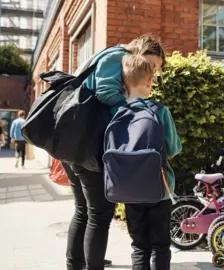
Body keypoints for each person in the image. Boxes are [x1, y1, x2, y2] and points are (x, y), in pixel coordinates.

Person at [63, 34, 166, 270]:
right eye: (152, 65)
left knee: (84, 211)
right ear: (142, 50)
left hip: (75, 143)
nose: (152, 72)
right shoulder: (119, 56)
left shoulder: (109, 56)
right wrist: (135, 113)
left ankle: (76, 264)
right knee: (99, 213)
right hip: (87, 146)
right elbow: (105, 92)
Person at [120, 54, 181, 270]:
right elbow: (174, 148)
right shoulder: (161, 111)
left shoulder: (116, 112)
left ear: (124, 83)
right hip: (159, 189)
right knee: (161, 246)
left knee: (139, 247)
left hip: (129, 191)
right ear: (150, 82)